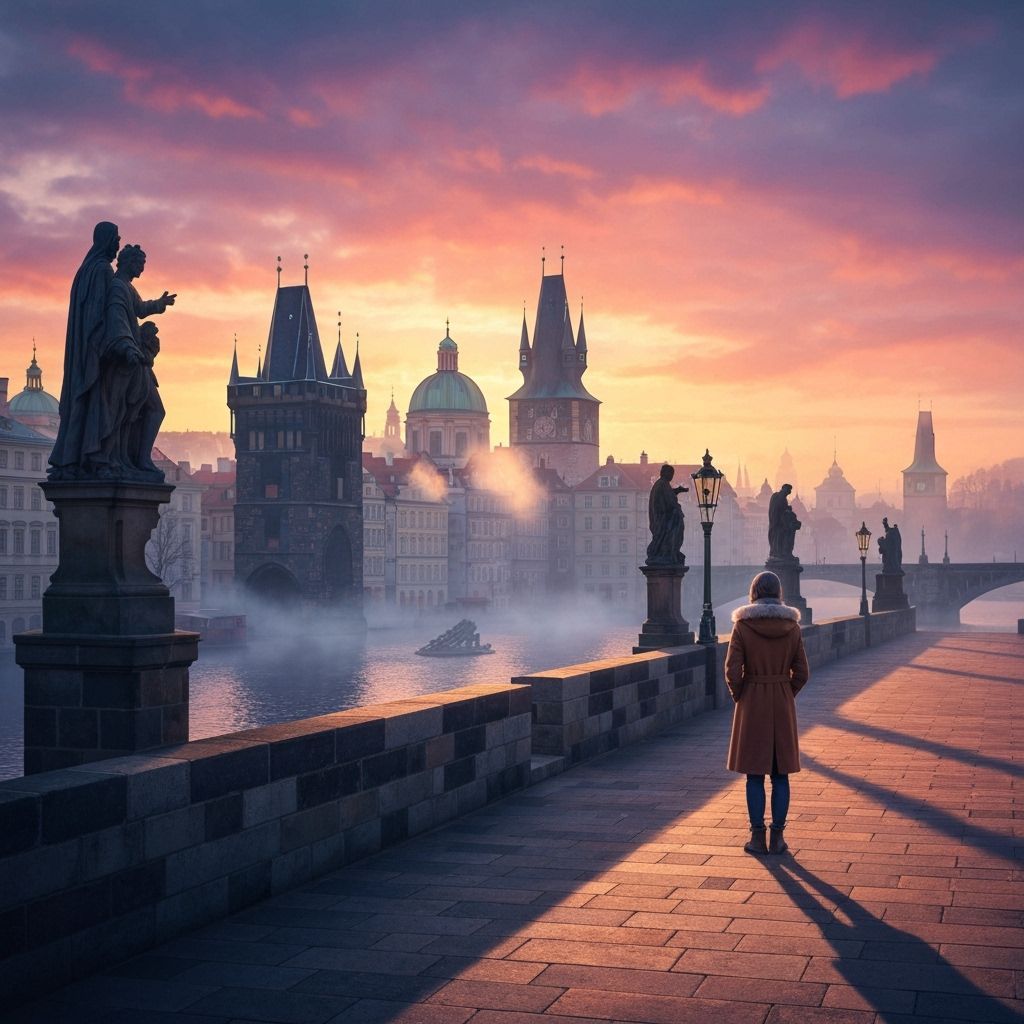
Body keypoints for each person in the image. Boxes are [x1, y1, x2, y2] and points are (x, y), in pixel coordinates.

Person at [725, 570, 809, 855]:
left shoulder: (742, 626)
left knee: (754, 775)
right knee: (781, 774)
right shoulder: (792, 627)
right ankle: (779, 838)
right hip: (781, 702)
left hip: (753, 703)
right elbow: (802, 673)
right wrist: (785, 691)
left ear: (755, 592)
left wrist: (743, 696)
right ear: (779, 592)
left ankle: (757, 838)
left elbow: (732, 671)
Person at [49, 221, 120, 478]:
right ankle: (94, 457)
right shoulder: (102, 270)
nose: (118, 243)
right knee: (96, 404)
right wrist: (110, 346)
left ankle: (69, 460)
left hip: (81, 350)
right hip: (95, 350)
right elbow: (102, 313)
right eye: (116, 238)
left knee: (79, 402)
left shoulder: (84, 270)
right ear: (108, 240)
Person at [646, 464, 688, 565]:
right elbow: (670, 501)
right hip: (662, 519)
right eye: (671, 473)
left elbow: (668, 495)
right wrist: (678, 510)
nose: (672, 476)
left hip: (662, 518)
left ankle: (670, 552)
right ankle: (669, 553)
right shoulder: (662, 484)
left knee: (667, 536)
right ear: (665, 473)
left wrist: (677, 491)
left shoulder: (661, 484)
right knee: (672, 533)